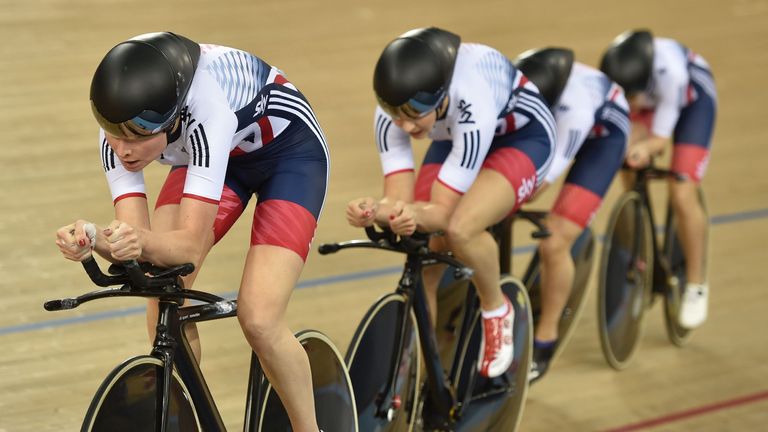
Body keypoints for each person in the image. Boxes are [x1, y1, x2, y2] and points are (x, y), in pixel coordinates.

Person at [54, 32, 328, 431]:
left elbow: (188, 250)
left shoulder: (207, 112)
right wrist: (92, 238)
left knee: (259, 318)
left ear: (175, 118)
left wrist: (135, 241)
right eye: (116, 136)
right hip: (216, 156)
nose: (124, 150)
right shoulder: (117, 127)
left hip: (290, 155)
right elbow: (138, 244)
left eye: (139, 138)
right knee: (161, 291)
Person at [346, 27, 555, 378]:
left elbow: (441, 213)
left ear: (441, 95)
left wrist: (415, 213)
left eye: (414, 113)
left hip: (523, 138)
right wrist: (373, 210)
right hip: (450, 132)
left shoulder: (472, 102)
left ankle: (495, 309)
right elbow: (398, 199)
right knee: (423, 255)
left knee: (461, 229)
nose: (404, 125)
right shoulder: (396, 113)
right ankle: (420, 377)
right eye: (396, 114)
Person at [513, 48, 630, 383]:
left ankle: (546, 336)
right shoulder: (515, 85)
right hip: (548, 122)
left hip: (602, 139)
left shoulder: (575, 109)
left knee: (554, 240)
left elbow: (542, 181)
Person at [600, 30, 716, 329]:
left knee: (681, 191)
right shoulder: (618, 69)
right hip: (653, 101)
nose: (626, 101)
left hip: (693, 103)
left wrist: (646, 147)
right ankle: (642, 235)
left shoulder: (672, 74)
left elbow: (660, 142)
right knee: (626, 154)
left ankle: (696, 284)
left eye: (629, 96)